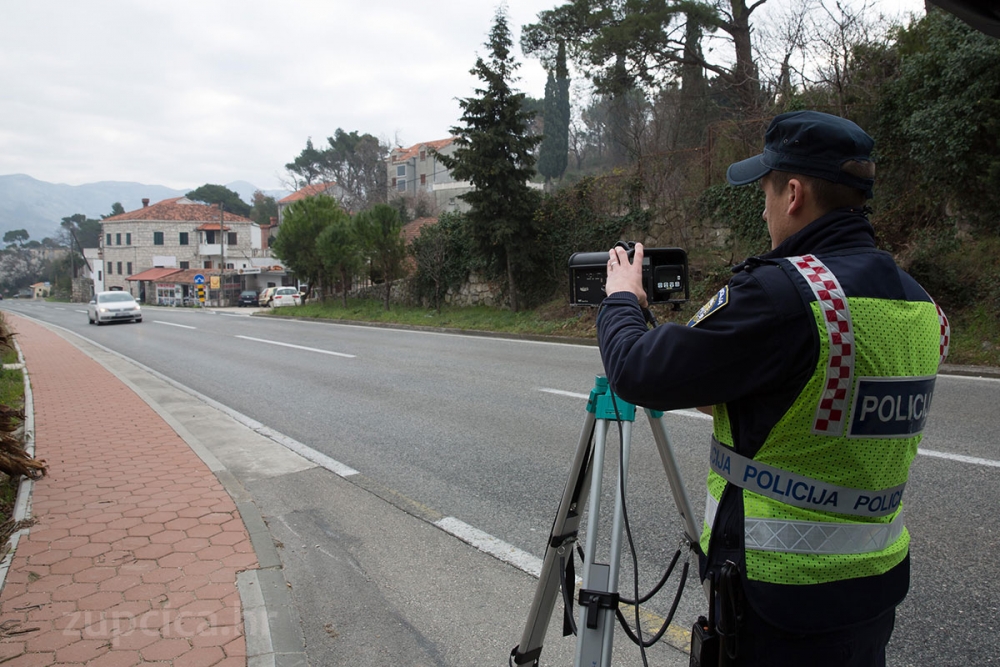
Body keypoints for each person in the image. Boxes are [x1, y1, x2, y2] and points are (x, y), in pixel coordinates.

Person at [597, 110, 949, 666]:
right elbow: (803, 401)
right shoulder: (919, 304)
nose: (761, 209)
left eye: (763, 191)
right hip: (872, 592)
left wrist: (621, 299)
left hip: (777, 603)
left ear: (792, 193)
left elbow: (638, 370)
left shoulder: (785, 295)